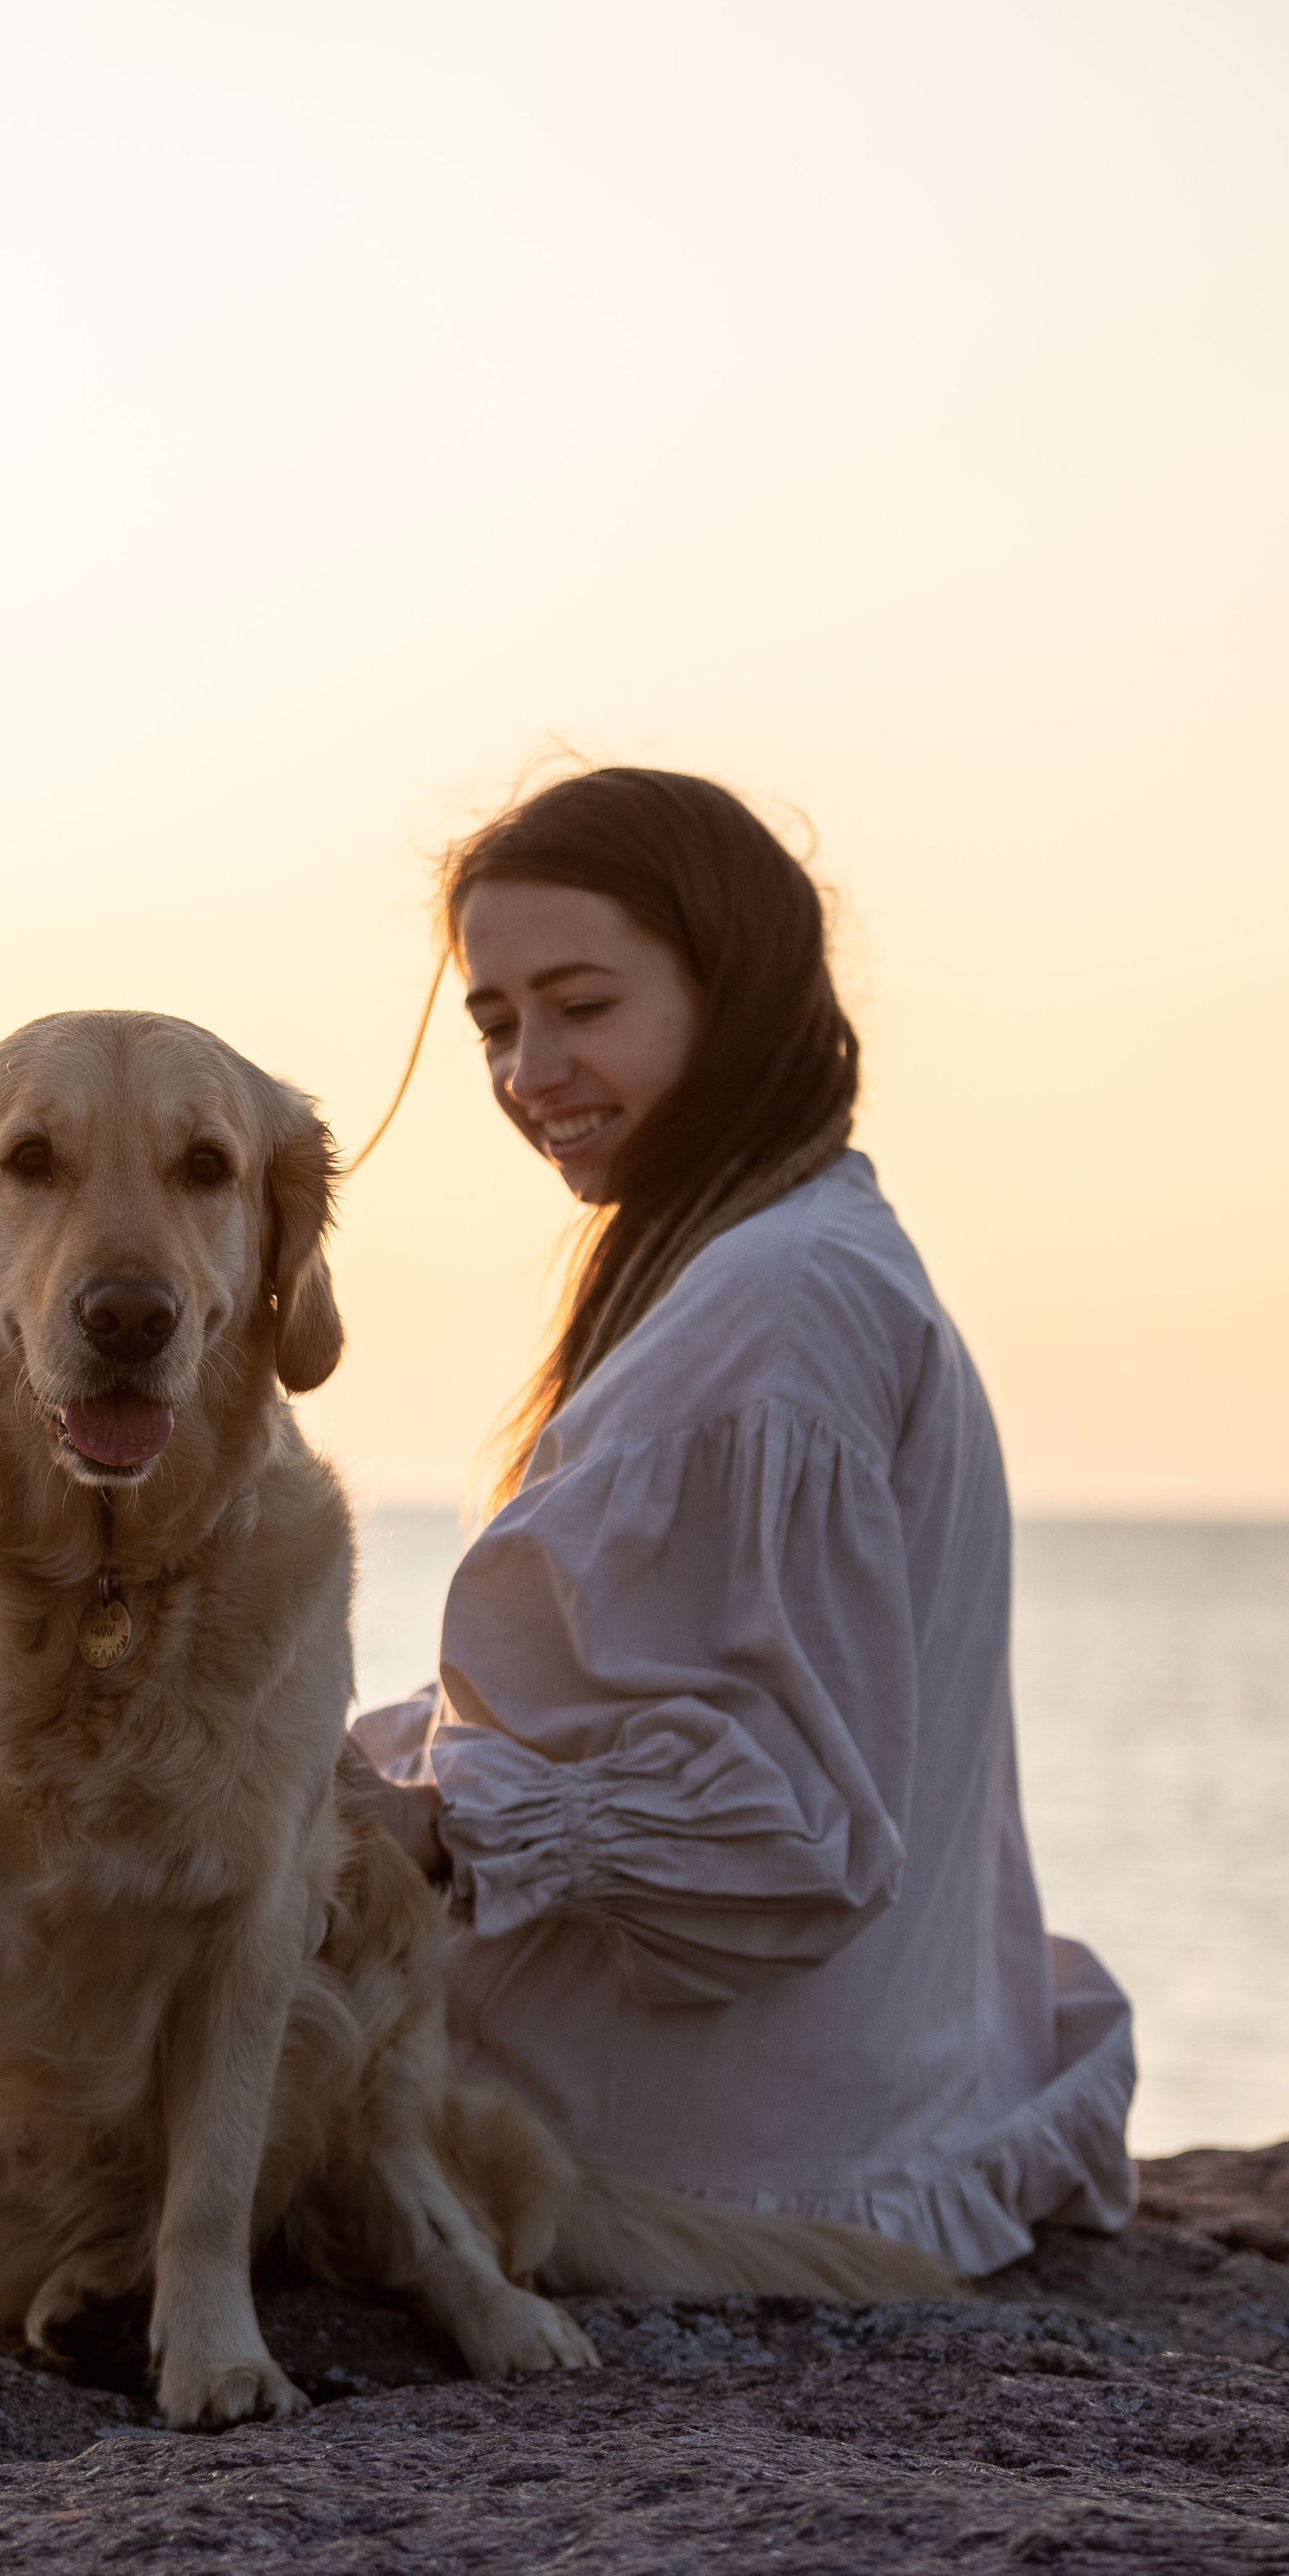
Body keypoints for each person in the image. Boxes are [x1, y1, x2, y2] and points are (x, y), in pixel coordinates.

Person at [344, 766, 1135, 2276]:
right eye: (498, 1023)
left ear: (737, 989)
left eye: (582, 1004)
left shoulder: (779, 1300)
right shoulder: (786, 1252)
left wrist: (436, 1828)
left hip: (709, 2144)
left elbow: (796, 1825)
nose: (530, 1070)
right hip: (835, 2090)